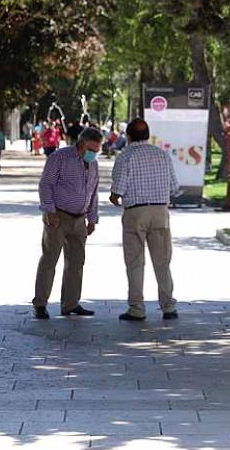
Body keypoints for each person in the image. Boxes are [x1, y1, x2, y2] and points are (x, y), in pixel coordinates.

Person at [108, 118, 178, 321]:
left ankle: (137, 308)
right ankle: (168, 307)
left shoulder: (125, 157)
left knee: (135, 262)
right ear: (148, 135)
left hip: (135, 213)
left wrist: (115, 197)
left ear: (128, 136)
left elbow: (117, 191)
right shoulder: (162, 155)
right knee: (162, 261)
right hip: (160, 212)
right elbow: (174, 186)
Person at [33, 127, 103, 319]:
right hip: (58, 217)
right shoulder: (60, 157)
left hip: (80, 219)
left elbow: (94, 192)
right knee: (49, 260)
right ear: (81, 144)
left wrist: (92, 218)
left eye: (97, 150)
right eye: (91, 149)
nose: (93, 154)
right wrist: (49, 210)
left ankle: (71, 303)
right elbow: (45, 184)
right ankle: (40, 303)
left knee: (76, 262)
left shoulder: (94, 164)